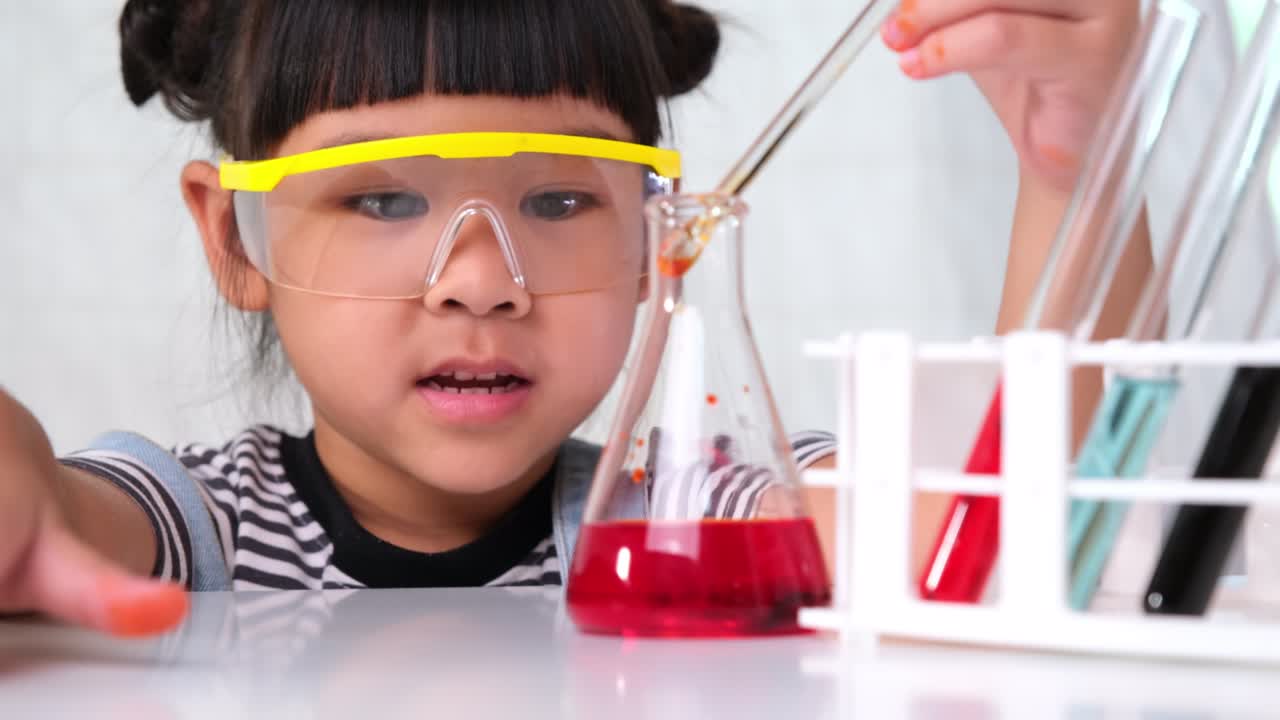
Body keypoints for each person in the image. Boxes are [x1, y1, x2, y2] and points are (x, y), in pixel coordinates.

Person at [0, 0, 1150, 637]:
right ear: (232, 238)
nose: (479, 283)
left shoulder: (690, 505)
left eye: (556, 202)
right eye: (384, 200)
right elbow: (42, 507)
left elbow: (985, 543)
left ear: (656, 237)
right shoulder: (195, 525)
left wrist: (1076, 170)